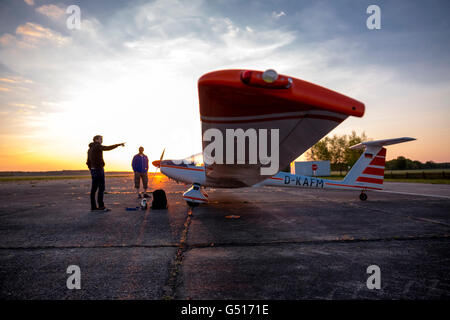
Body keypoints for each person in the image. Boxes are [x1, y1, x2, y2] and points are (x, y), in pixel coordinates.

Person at [86, 135, 125, 211]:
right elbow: (107, 148)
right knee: (101, 188)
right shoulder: (97, 146)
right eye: (101, 139)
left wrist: (91, 169)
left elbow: (88, 162)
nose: (102, 140)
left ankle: (93, 207)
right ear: (96, 139)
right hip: (98, 170)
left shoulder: (90, 149)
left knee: (93, 190)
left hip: (94, 170)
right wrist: (118, 145)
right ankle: (101, 206)